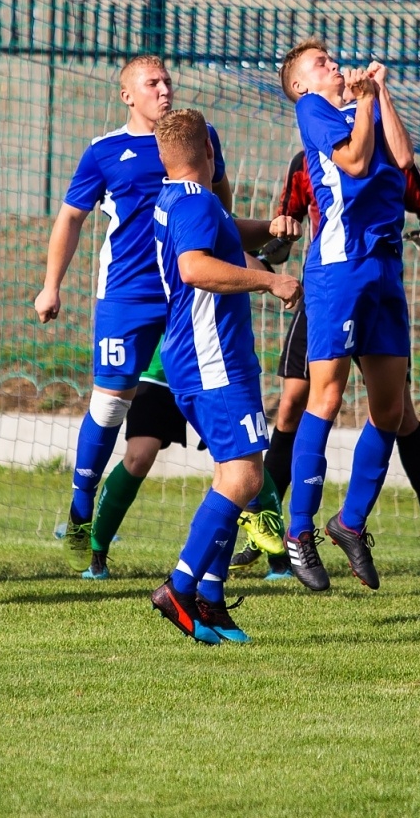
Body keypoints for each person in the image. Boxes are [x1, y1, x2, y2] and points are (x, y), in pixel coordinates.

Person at [33, 56, 232, 557]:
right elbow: (71, 219)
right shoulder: (104, 152)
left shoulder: (197, 138)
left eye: (167, 80)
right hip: (128, 295)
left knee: (214, 398)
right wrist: (50, 285)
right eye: (152, 83)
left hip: (188, 295)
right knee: (109, 404)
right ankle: (82, 510)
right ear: (128, 96)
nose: (164, 89)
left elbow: (220, 209)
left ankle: (256, 525)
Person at [238, 150, 420, 578]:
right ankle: (275, 524)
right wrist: (276, 245)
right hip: (330, 288)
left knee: (399, 413)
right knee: (293, 403)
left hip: (377, 288)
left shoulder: (393, 156)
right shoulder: (306, 160)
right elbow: (284, 230)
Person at [146, 110, 302, 644]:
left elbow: (226, 231)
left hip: (203, 359)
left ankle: (210, 600)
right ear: (210, 156)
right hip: (212, 362)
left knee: (232, 476)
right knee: (243, 479)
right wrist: (268, 281)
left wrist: (271, 229)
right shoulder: (194, 203)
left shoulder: (178, 199)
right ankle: (181, 586)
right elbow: (194, 266)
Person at [279, 39, 415, 592]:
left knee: (391, 406)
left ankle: (350, 522)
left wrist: (379, 93)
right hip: (338, 268)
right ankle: (297, 531)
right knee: (327, 397)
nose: (333, 65)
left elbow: (403, 162)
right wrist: (360, 104)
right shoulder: (312, 110)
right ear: (301, 85)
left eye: (332, 59)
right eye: (320, 64)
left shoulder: (362, 106)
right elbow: (355, 161)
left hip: (385, 267)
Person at [83, 344, 289, 582]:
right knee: (138, 458)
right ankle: (96, 551)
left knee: (241, 459)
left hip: (209, 370)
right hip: (156, 372)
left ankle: (281, 559)